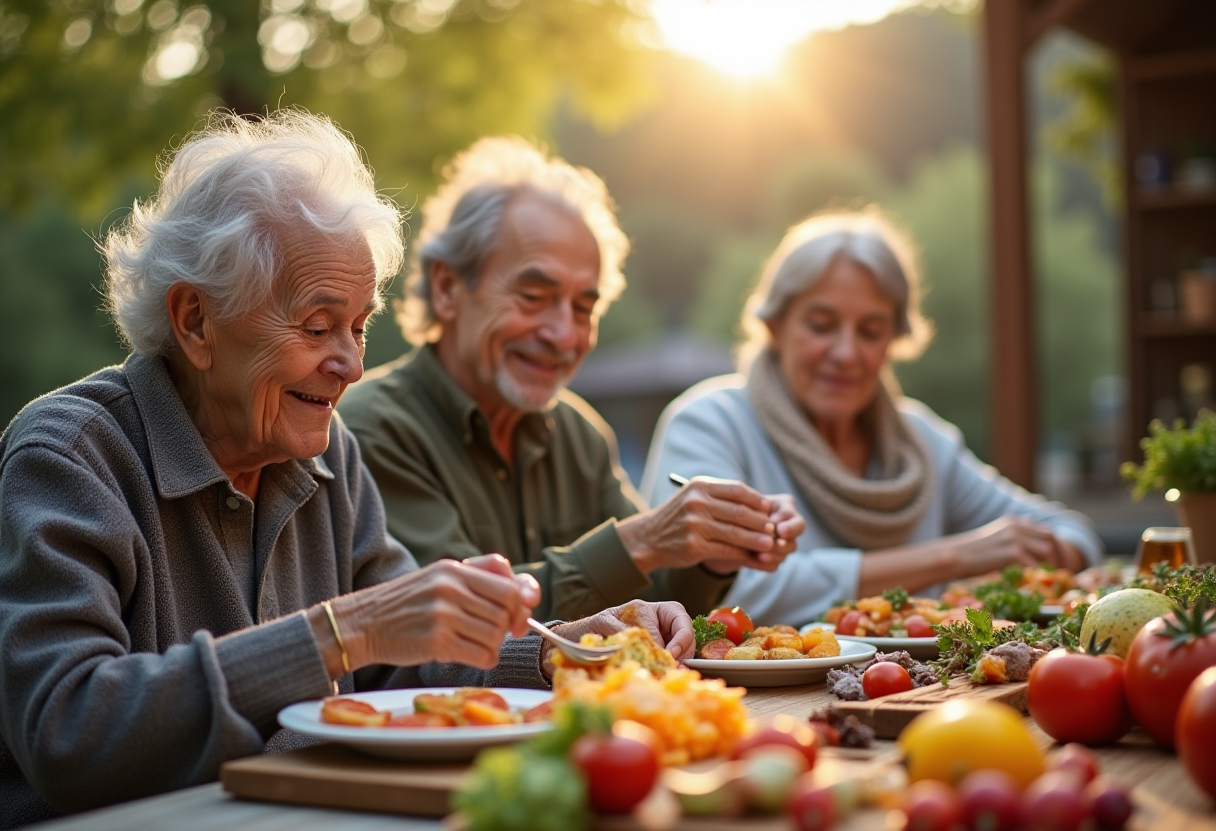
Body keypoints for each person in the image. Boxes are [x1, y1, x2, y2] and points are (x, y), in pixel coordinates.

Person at [0, 110, 692, 829]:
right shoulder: (69, 457)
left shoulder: (327, 451)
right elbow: (67, 730)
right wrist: (339, 633)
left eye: (360, 326)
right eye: (317, 325)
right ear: (196, 322)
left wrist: (557, 654)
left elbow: (408, 656)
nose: (352, 364)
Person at [338, 137, 805, 622]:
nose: (564, 334)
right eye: (534, 296)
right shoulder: (371, 431)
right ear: (448, 287)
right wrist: (642, 541)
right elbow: (453, 617)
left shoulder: (581, 435)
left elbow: (656, 601)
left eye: (584, 307)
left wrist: (713, 551)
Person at [641, 209, 1104, 626]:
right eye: (821, 325)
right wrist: (953, 557)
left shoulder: (921, 441)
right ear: (775, 326)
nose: (846, 353)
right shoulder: (707, 423)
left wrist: (1048, 560)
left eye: (870, 330)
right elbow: (734, 593)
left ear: (893, 341)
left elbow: (1073, 532)